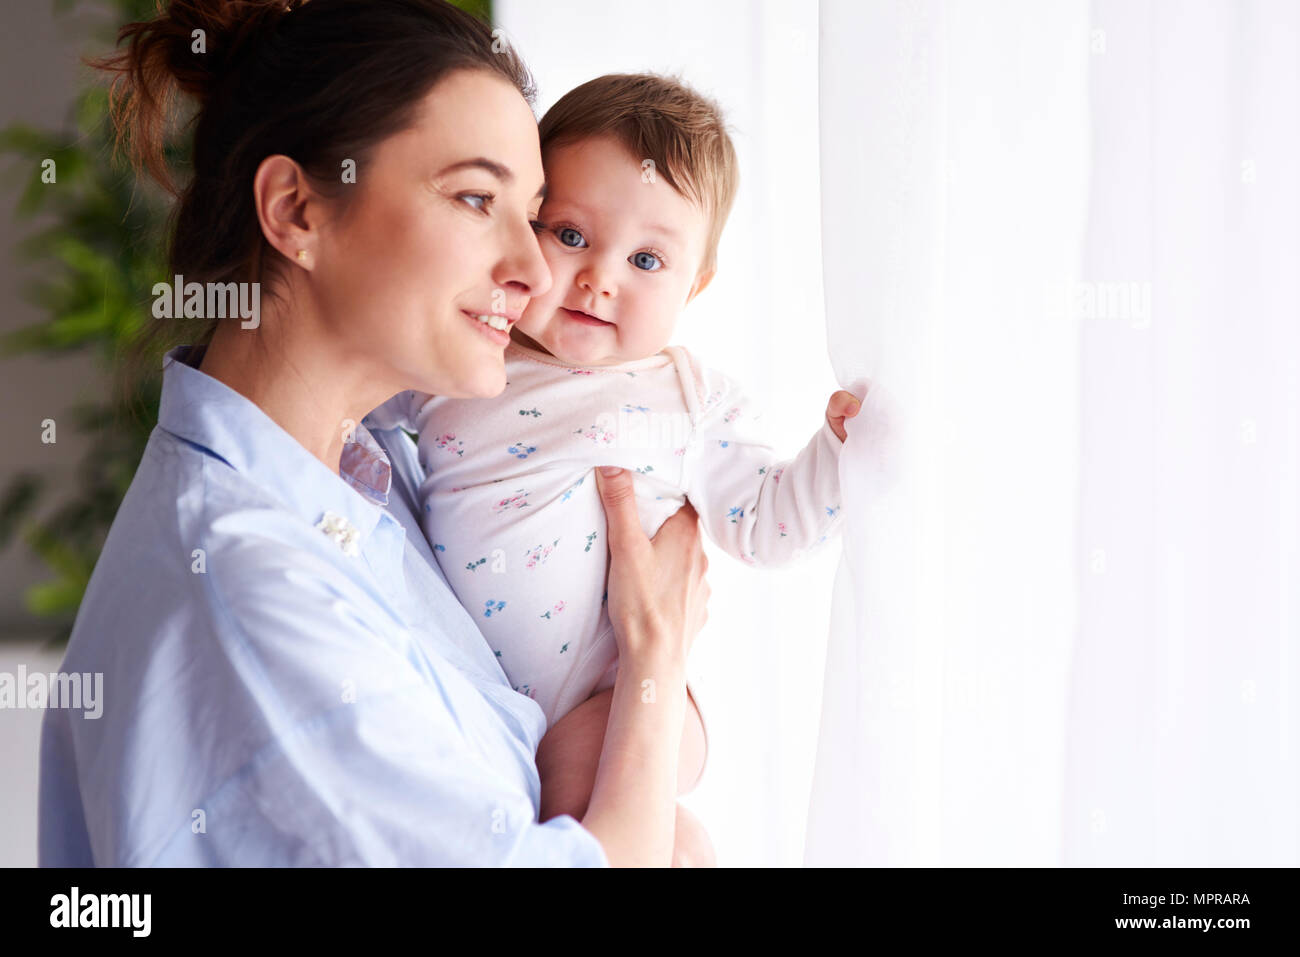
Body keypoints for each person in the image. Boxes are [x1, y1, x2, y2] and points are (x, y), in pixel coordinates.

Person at [37, 0, 709, 868]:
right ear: (296, 212)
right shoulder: (253, 599)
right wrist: (654, 657)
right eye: (476, 198)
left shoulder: (384, 478)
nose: (537, 267)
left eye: (536, 213)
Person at [370, 73, 863, 859]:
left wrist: (837, 454)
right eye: (570, 235)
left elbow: (770, 525)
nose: (600, 277)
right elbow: (349, 398)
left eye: (646, 258)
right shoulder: (466, 363)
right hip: (488, 706)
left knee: (575, 801)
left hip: (615, 702)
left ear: (694, 285)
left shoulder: (690, 399)